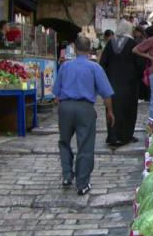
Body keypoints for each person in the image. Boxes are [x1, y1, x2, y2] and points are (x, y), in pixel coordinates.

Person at [53, 36, 115, 196]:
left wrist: (62, 109)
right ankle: (82, 183)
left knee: (64, 141)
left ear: (74, 48)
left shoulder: (65, 66)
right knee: (85, 146)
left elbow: (56, 93)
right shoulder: (95, 68)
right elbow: (106, 93)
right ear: (90, 50)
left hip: (65, 107)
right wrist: (109, 111)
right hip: (85, 108)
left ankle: (67, 176)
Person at [100, 20, 143, 147]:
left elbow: (102, 63)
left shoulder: (110, 44)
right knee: (128, 110)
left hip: (112, 83)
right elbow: (140, 64)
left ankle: (112, 135)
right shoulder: (133, 44)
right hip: (129, 84)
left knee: (112, 109)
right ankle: (126, 136)